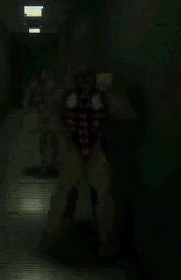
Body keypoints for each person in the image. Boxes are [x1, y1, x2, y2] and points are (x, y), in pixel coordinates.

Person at [45, 69, 137, 258]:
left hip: (95, 150)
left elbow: (127, 114)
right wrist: (59, 146)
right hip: (73, 149)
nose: (85, 83)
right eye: (81, 79)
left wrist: (107, 92)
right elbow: (56, 121)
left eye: (88, 79)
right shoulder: (67, 97)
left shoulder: (102, 98)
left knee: (104, 195)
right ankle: (51, 235)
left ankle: (106, 240)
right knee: (63, 193)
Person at [24, 69, 61, 175]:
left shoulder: (52, 86)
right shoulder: (36, 85)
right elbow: (28, 99)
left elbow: (58, 99)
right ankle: (45, 163)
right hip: (43, 114)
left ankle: (52, 163)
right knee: (45, 139)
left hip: (52, 114)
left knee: (52, 138)